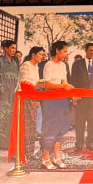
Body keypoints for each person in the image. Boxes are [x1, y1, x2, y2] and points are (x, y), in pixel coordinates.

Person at [37, 40, 74, 169]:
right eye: (64, 51)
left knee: (62, 127)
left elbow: (64, 82)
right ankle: (45, 158)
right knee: (50, 127)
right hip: (51, 100)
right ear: (57, 51)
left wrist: (70, 90)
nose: (65, 54)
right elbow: (48, 84)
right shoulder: (48, 65)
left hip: (62, 99)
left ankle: (56, 157)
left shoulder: (63, 65)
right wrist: (64, 86)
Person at [70, 43, 93, 152]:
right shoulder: (77, 64)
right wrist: (74, 95)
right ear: (85, 50)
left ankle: (90, 143)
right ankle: (79, 143)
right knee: (80, 122)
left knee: (92, 122)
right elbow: (73, 80)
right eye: (91, 50)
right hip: (81, 98)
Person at [16, 47, 47, 168]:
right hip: (25, 97)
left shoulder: (36, 67)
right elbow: (24, 83)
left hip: (33, 97)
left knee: (32, 123)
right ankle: (21, 152)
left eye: (43, 55)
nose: (42, 57)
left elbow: (35, 83)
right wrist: (37, 86)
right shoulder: (26, 65)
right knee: (26, 124)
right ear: (33, 55)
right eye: (40, 54)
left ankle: (29, 151)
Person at [0, 38, 20, 140]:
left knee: (10, 117)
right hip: (2, 93)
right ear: (6, 49)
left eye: (15, 48)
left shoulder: (14, 62)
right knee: (1, 118)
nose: (14, 50)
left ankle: (7, 142)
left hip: (12, 93)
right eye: (12, 48)